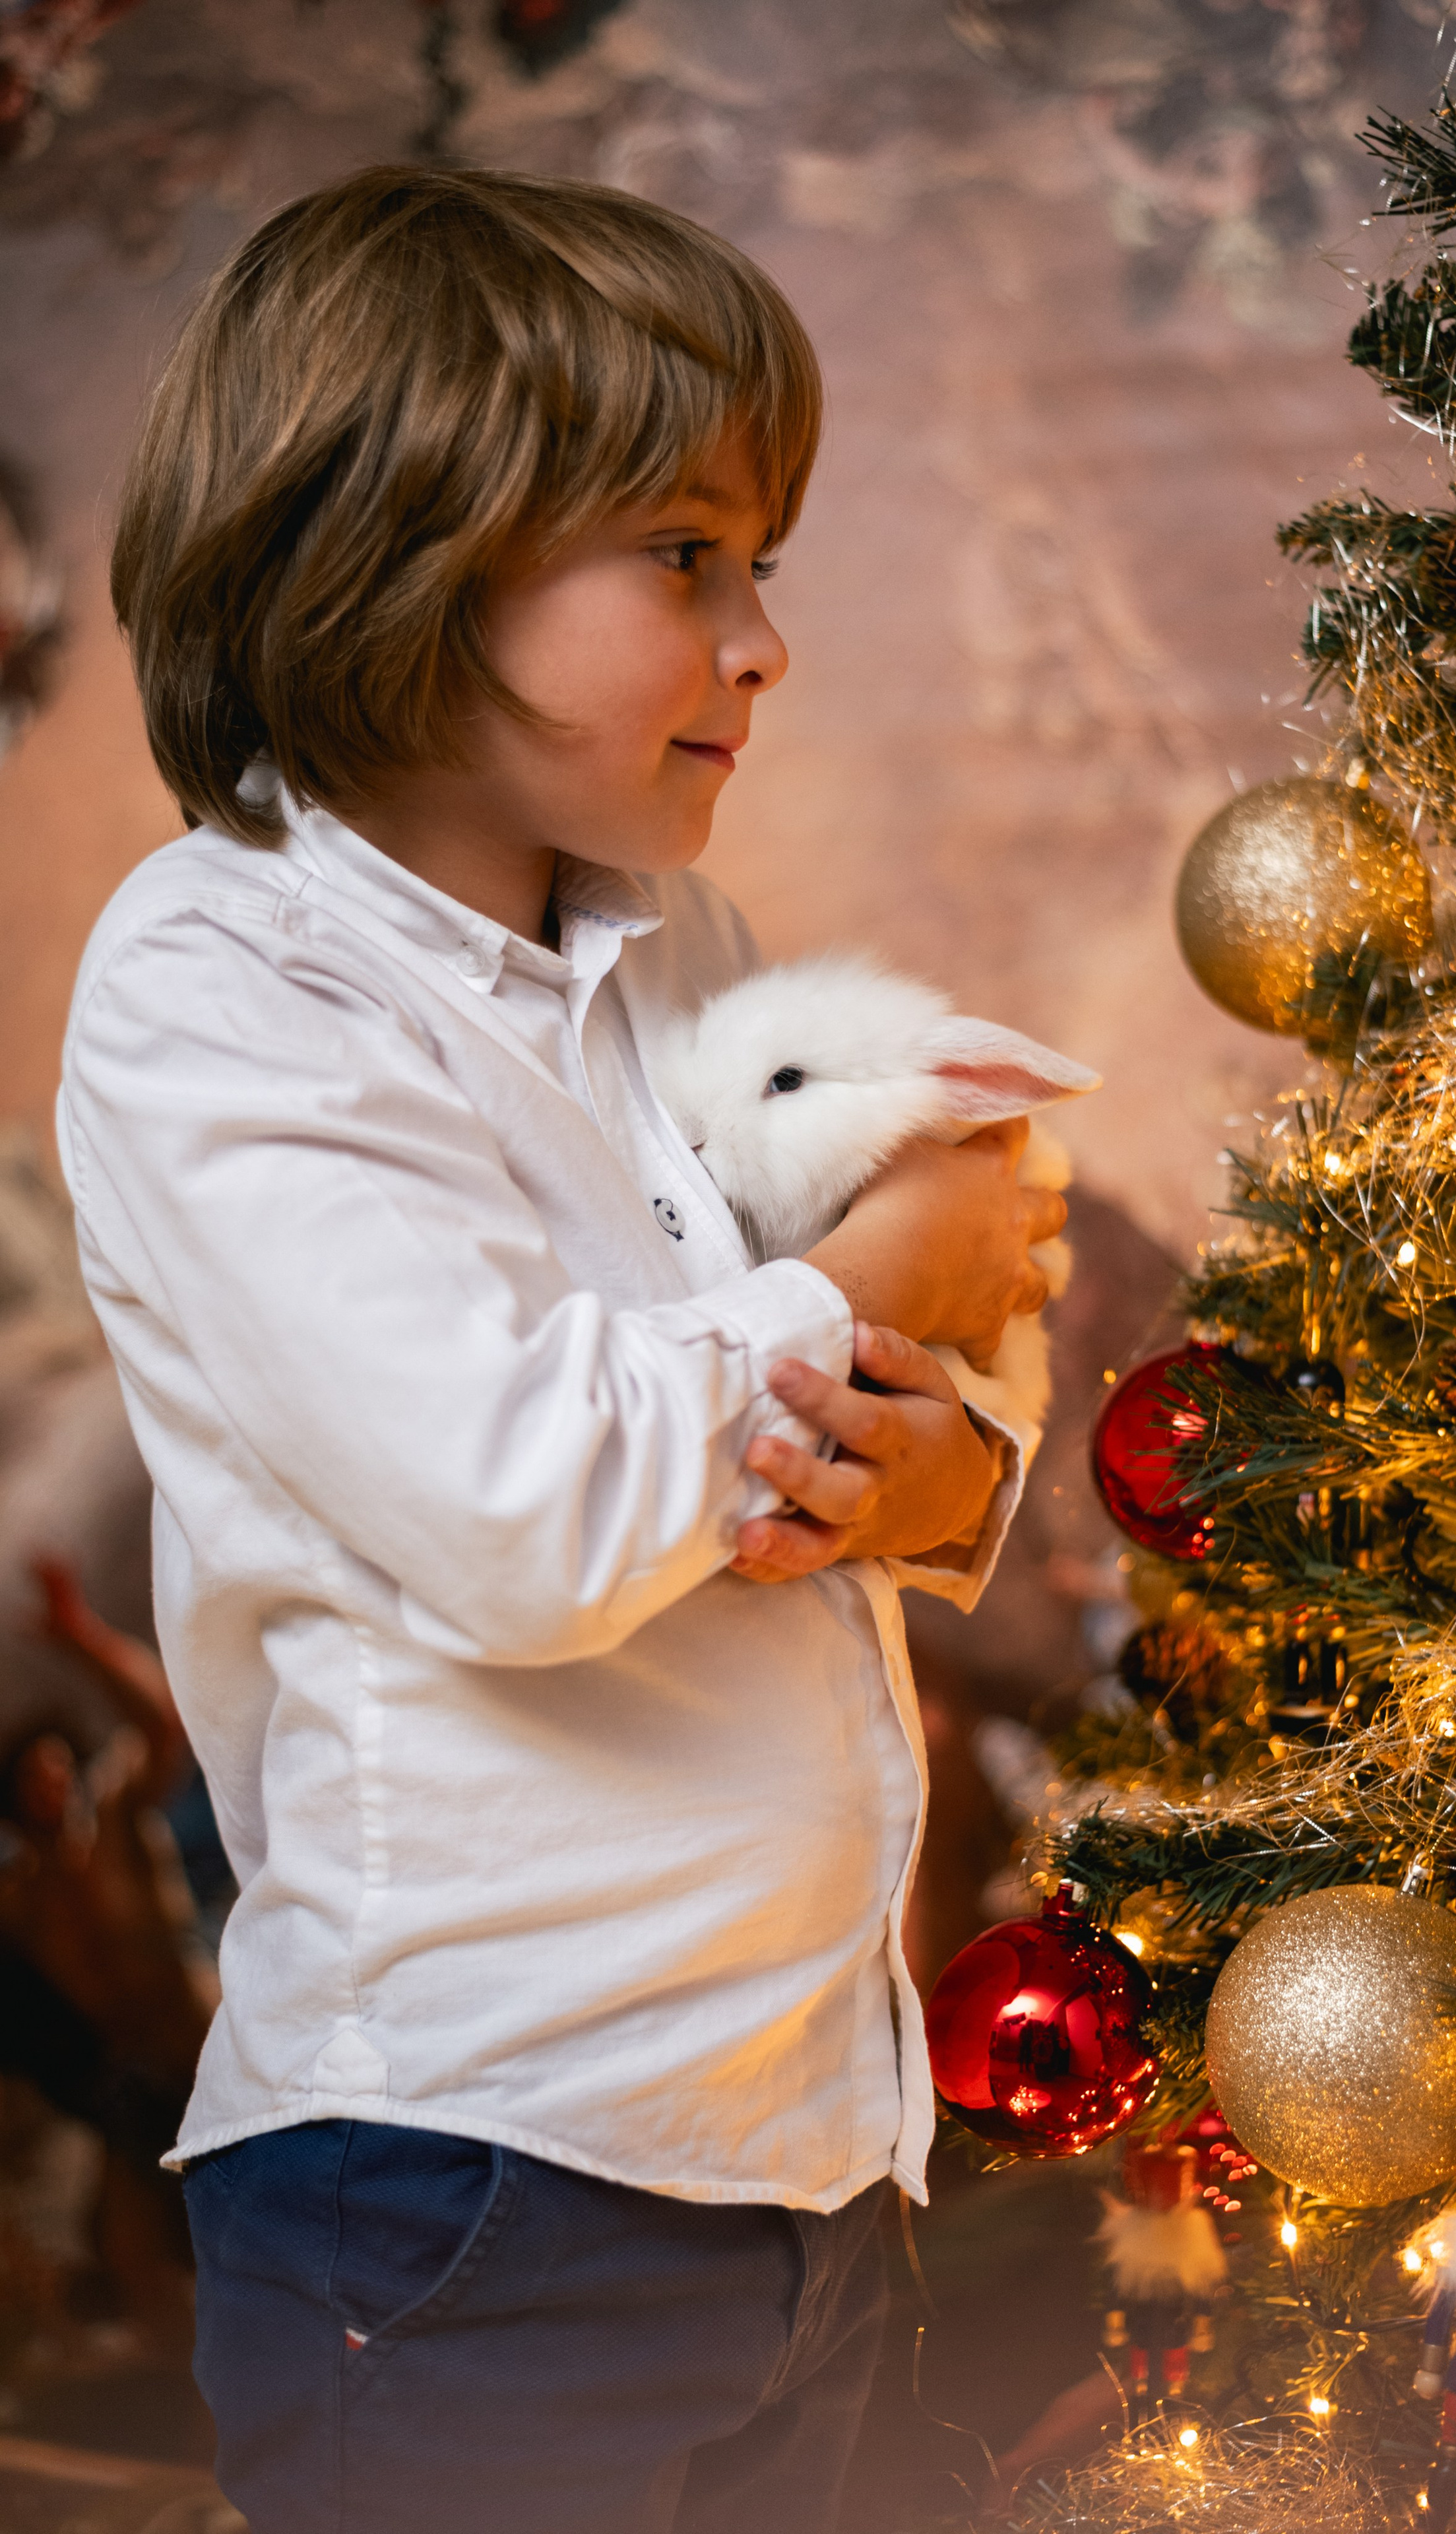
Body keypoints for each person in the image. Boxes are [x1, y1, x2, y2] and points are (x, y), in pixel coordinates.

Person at [58, 166, 1066, 2533]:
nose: (761, 642)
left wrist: (939, 1479)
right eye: (686, 557)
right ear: (404, 555)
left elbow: (887, 1396)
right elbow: (535, 1503)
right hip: (471, 2175)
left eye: (765, 566)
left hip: (797, 2142)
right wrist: (898, 1255)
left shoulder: (677, 947)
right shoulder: (225, 982)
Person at [0, 1555, 210, 2349]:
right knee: (133, 2251)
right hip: (132, 2094)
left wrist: (82, 1638)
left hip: (209, 2049)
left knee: (289, 2212)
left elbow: (163, 1722)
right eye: (32, 1778)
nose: (51, 1786)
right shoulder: (20, 1902)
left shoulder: (118, 1818)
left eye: (58, 1769)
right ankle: (190, 2424)